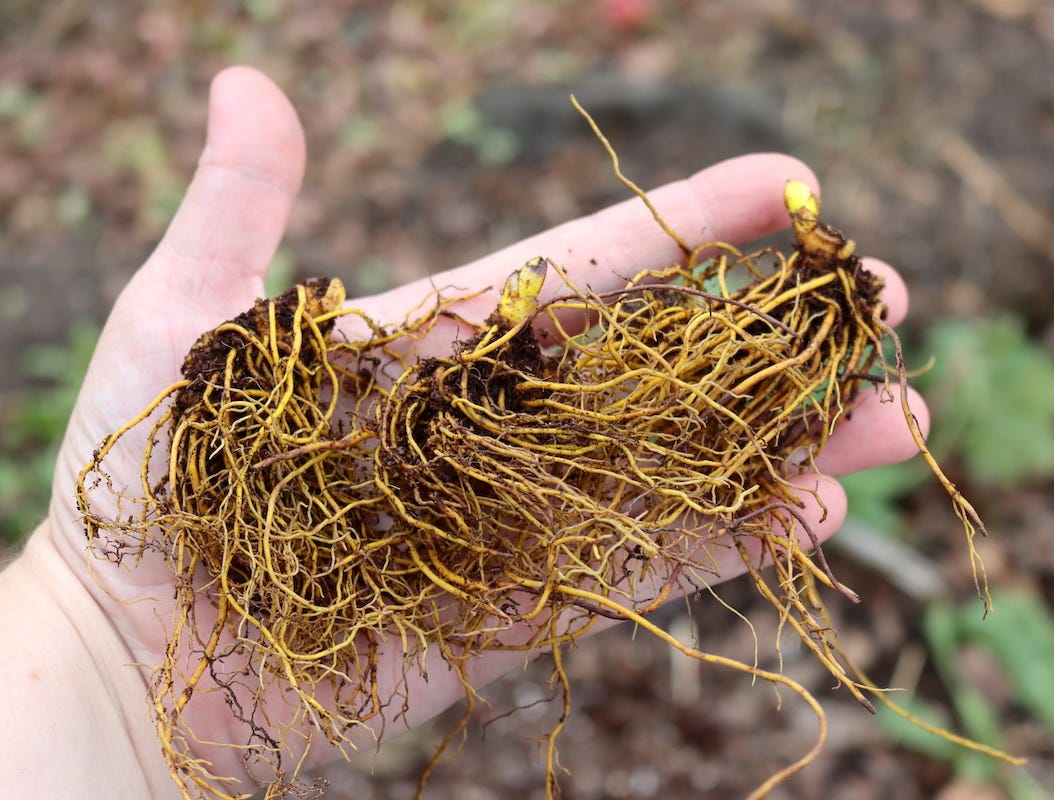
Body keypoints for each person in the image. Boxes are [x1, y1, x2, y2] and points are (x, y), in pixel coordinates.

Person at [0, 67, 928, 798]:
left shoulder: (425, 427)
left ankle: (809, 323)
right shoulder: (303, 419)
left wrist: (95, 659)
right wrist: (92, 641)